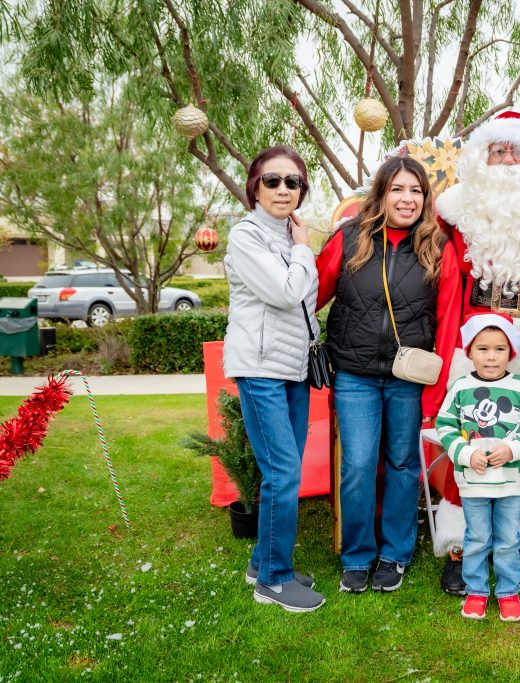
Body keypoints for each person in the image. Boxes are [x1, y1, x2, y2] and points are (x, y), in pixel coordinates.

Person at [433, 111, 520, 594]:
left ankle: (518, 541)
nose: (508, 160)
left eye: (517, 151)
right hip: (472, 336)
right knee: (468, 435)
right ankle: (460, 544)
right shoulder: (454, 213)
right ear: (481, 157)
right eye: (498, 151)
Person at [316, 156, 461, 594]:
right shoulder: (349, 239)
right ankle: (357, 555)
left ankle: (395, 553)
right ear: (381, 193)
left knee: (402, 465)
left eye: (415, 191)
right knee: (359, 465)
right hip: (355, 375)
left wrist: (438, 390)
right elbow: (311, 296)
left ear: (425, 198)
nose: (407, 198)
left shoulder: (438, 246)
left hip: (410, 377)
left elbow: (449, 318)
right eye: (398, 188)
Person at [223, 145, 324, 612]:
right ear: (255, 187)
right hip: (261, 368)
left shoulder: (289, 236)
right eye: (273, 180)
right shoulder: (246, 237)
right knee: (283, 472)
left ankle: (262, 561)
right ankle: (275, 580)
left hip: (292, 368)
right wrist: (305, 252)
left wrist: (299, 248)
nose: (284, 189)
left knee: (286, 472)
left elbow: (306, 307)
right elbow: (286, 295)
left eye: (293, 181)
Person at [436, 313, 520, 622]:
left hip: (510, 482)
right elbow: (446, 426)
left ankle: (508, 592)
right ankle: (476, 591)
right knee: (477, 537)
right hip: (474, 483)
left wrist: (513, 449)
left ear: (510, 353)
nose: (491, 357)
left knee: (507, 538)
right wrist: (465, 454)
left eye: (499, 349)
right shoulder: (460, 389)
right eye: (482, 349)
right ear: (469, 352)